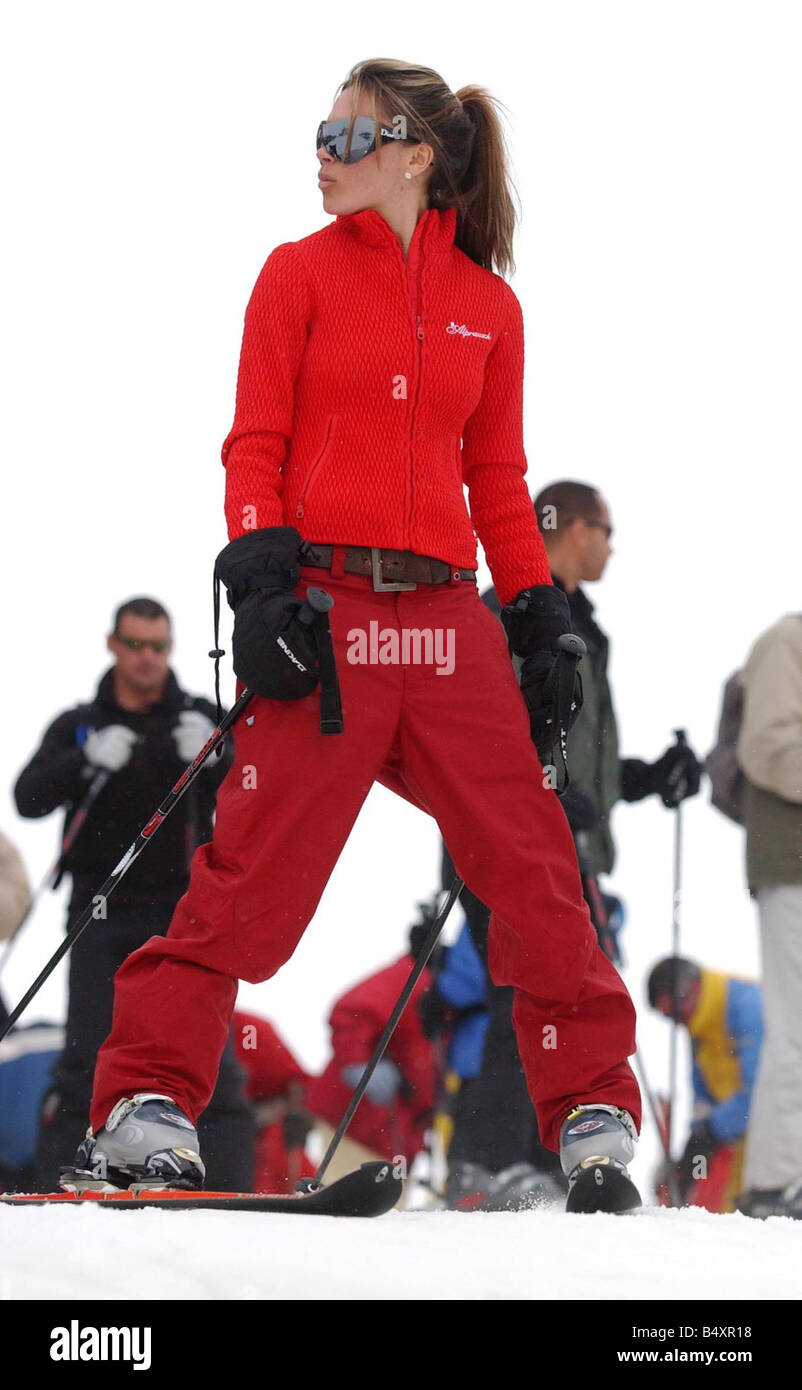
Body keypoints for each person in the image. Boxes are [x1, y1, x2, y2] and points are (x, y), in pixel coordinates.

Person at [69, 58, 643, 1214]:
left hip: (443, 621)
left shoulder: (490, 305)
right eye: (321, 131)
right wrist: (259, 576)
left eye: (347, 133)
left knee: (535, 863)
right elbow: (254, 441)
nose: (322, 151)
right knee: (251, 873)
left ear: (415, 153)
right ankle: (147, 1105)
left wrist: (536, 615)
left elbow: (497, 475)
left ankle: (590, 1108)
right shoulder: (296, 276)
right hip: (326, 612)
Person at [439, 480, 701, 1203]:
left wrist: (649, 778)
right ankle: (485, 1163)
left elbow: (584, 760)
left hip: (562, 843)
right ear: (574, 528)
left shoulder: (578, 623)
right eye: (607, 530)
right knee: (521, 989)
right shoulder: (508, 613)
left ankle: (535, 1160)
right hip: (497, 835)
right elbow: (469, 729)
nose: (612, 546)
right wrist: (541, 788)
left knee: (554, 983)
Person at [14, 596, 254, 1191]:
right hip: (97, 912)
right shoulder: (80, 723)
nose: (148, 659)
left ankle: (231, 1190)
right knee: (84, 1060)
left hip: (183, 912)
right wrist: (81, 761)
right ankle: (58, 1186)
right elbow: (28, 799)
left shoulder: (200, 716)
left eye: (159, 647)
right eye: (136, 645)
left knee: (211, 1059)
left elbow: (259, 787)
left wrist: (221, 755)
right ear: (113, 645)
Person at [734, 613, 802, 1218]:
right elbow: (766, 747)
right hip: (792, 863)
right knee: (795, 1025)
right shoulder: (789, 642)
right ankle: (774, 1184)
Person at [305, 925, 437, 1187]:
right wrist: (359, 1064)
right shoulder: (414, 975)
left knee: (384, 1214)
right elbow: (351, 1011)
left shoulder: (445, 988)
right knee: (345, 1209)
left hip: (396, 1134)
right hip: (358, 1123)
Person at [647, 956, 763, 1213]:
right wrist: (697, 1137)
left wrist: (713, 1128)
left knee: (761, 1213)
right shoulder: (699, 1028)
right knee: (716, 1209)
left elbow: (762, 1095)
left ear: (691, 988)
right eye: (668, 1017)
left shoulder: (749, 1007)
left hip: (779, 1140)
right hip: (740, 1140)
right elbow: (702, 1097)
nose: (676, 1022)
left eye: (675, 1011)